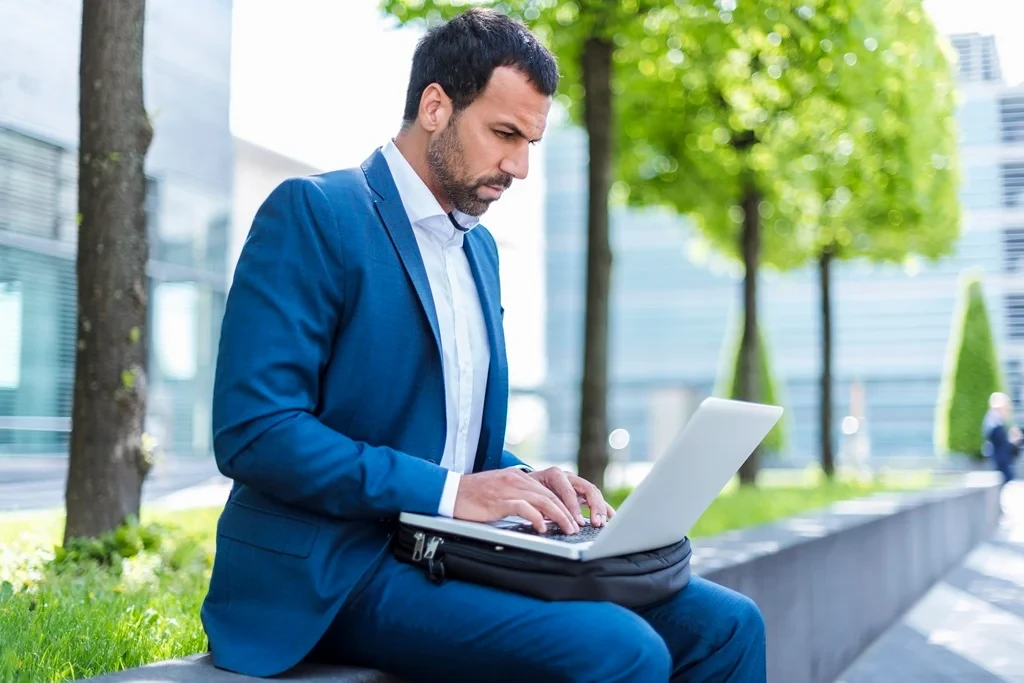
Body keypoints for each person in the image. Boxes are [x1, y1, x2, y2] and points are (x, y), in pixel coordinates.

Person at [201, 8, 766, 682]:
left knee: (731, 626)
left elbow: (448, 437)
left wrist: (528, 483)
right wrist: (454, 493)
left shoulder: (480, 250)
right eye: (504, 134)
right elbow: (255, 432)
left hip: (452, 551)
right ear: (435, 106)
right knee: (623, 649)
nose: (519, 166)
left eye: (530, 141)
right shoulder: (316, 214)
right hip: (334, 568)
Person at [982, 392, 1021, 485]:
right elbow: (1001, 445)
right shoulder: (994, 422)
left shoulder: (996, 421)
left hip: (1002, 460)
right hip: (999, 461)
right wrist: (1013, 441)